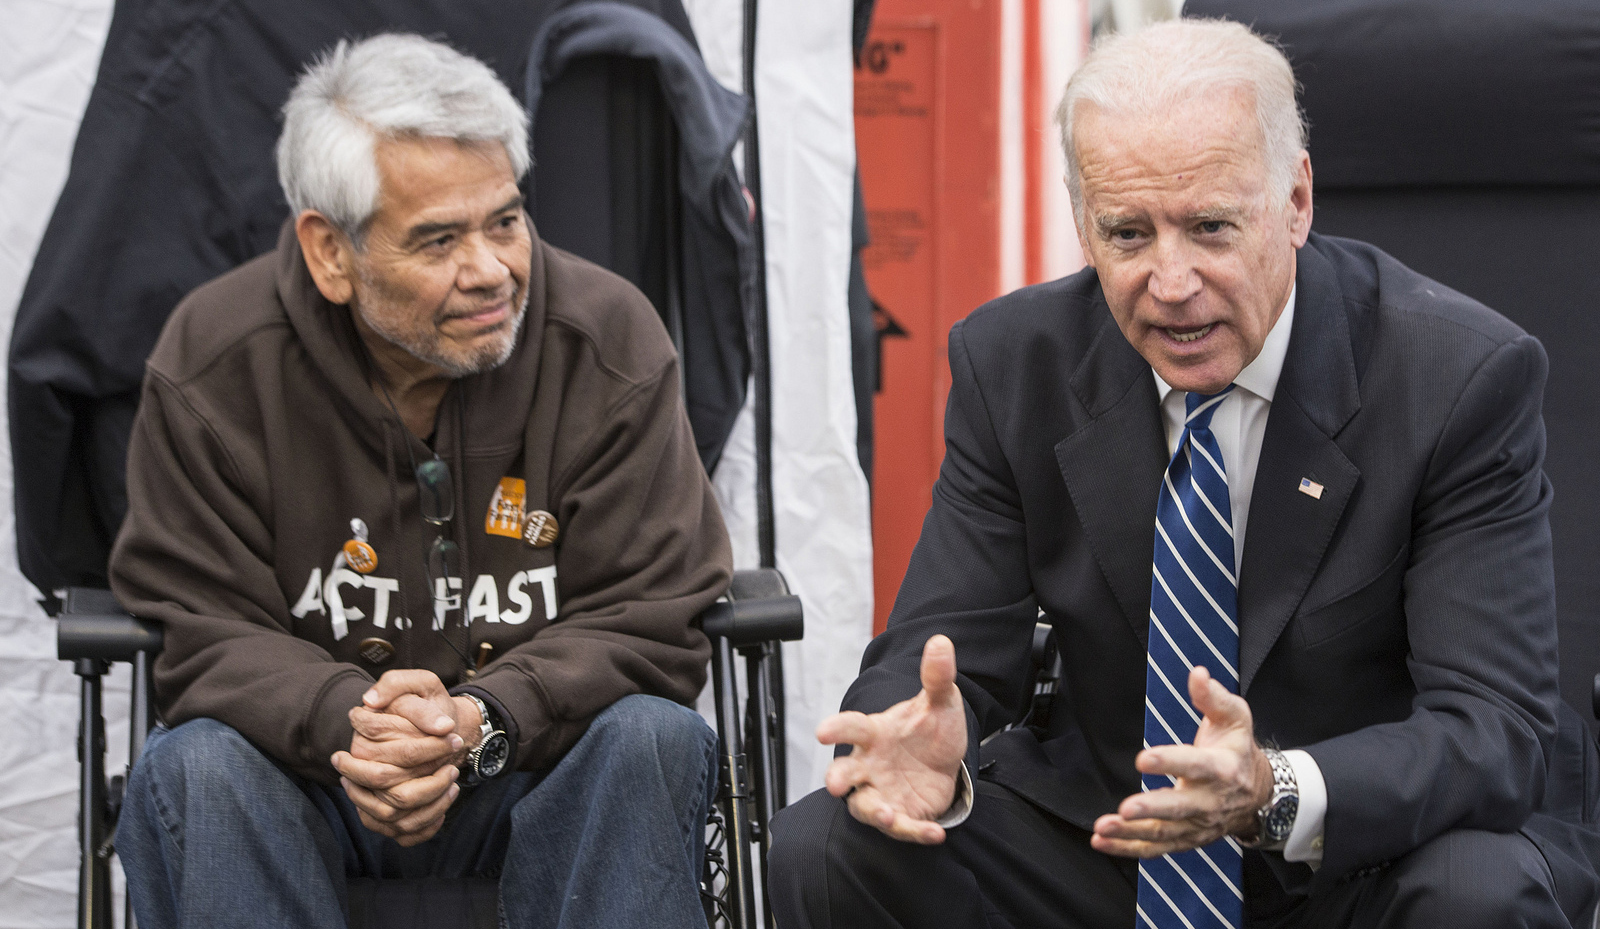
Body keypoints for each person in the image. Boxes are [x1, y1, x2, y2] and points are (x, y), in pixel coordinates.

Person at [769, 18, 1599, 929]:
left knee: (1475, 896)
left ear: (1296, 202)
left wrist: (1273, 788)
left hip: (1364, 851)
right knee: (828, 845)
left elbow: (1493, 728)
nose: (1170, 280)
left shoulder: (1455, 378)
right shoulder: (1016, 364)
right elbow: (940, 656)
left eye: (1210, 227)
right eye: (1128, 233)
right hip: (1113, 835)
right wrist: (912, 737)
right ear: (1083, 225)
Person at [108, 34, 731, 929]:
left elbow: (655, 611)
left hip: (530, 774)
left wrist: (481, 722)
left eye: (505, 220)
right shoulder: (214, 364)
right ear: (330, 251)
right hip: (313, 783)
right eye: (438, 239)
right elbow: (201, 626)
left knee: (654, 738)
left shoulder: (608, 341)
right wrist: (350, 719)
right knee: (195, 763)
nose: (490, 271)